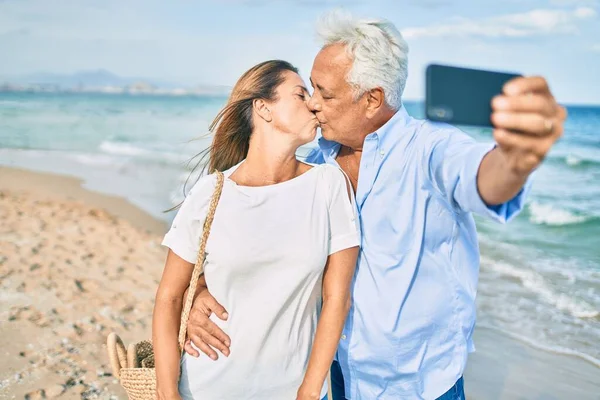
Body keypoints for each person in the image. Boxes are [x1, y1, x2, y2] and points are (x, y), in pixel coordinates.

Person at [183, 11, 567, 400]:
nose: (313, 104)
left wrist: (516, 159)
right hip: (335, 373)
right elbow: (248, 236)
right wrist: (199, 288)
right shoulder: (314, 163)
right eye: (311, 90)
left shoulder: (430, 150)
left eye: (325, 94)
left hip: (419, 386)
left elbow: (483, 177)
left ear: (372, 100)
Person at [152, 59, 360, 400]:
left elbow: (338, 297)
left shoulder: (328, 184)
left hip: (294, 391)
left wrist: (309, 392)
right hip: (207, 386)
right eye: (300, 94)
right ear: (263, 108)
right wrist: (166, 390)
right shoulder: (211, 193)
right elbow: (169, 297)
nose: (312, 103)